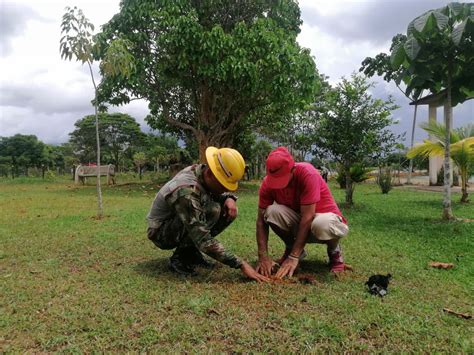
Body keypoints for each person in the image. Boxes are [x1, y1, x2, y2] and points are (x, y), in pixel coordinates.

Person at [147, 146, 269, 282]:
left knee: (223, 209)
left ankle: (191, 252)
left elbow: (210, 193)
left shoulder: (201, 172)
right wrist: (241, 264)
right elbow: (202, 238)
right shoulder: (185, 190)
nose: (225, 189)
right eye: (223, 185)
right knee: (213, 210)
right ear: (210, 173)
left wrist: (229, 198)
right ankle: (180, 259)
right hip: (161, 232)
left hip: (180, 221)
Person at [255, 147, 349, 279]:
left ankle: (334, 251)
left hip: (323, 219)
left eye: (282, 178)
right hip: (301, 220)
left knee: (322, 224)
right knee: (271, 212)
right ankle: (292, 247)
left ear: (293, 169)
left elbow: (308, 217)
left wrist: (294, 257)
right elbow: (260, 221)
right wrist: (263, 256)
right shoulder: (267, 183)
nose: (278, 184)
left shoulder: (308, 174)